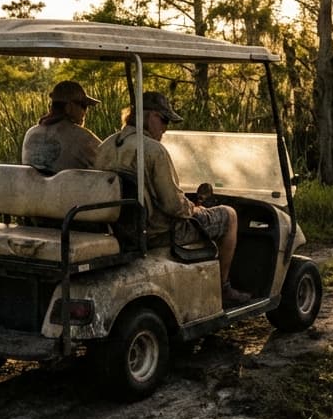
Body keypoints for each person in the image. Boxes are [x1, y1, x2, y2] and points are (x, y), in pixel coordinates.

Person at [94, 91, 250, 306]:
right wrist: (195, 209)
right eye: (163, 119)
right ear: (148, 116)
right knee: (229, 216)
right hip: (157, 231)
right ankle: (223, 288)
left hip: (118, 229)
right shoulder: (154, 150)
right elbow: (173, 205)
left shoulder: (106, 145)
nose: (166, 127)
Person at [21, 80, 101, 172]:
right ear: (70, 106)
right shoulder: (81, 136)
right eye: (83, 106)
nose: (85, 112)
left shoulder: (31, 133)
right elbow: (110, 160)